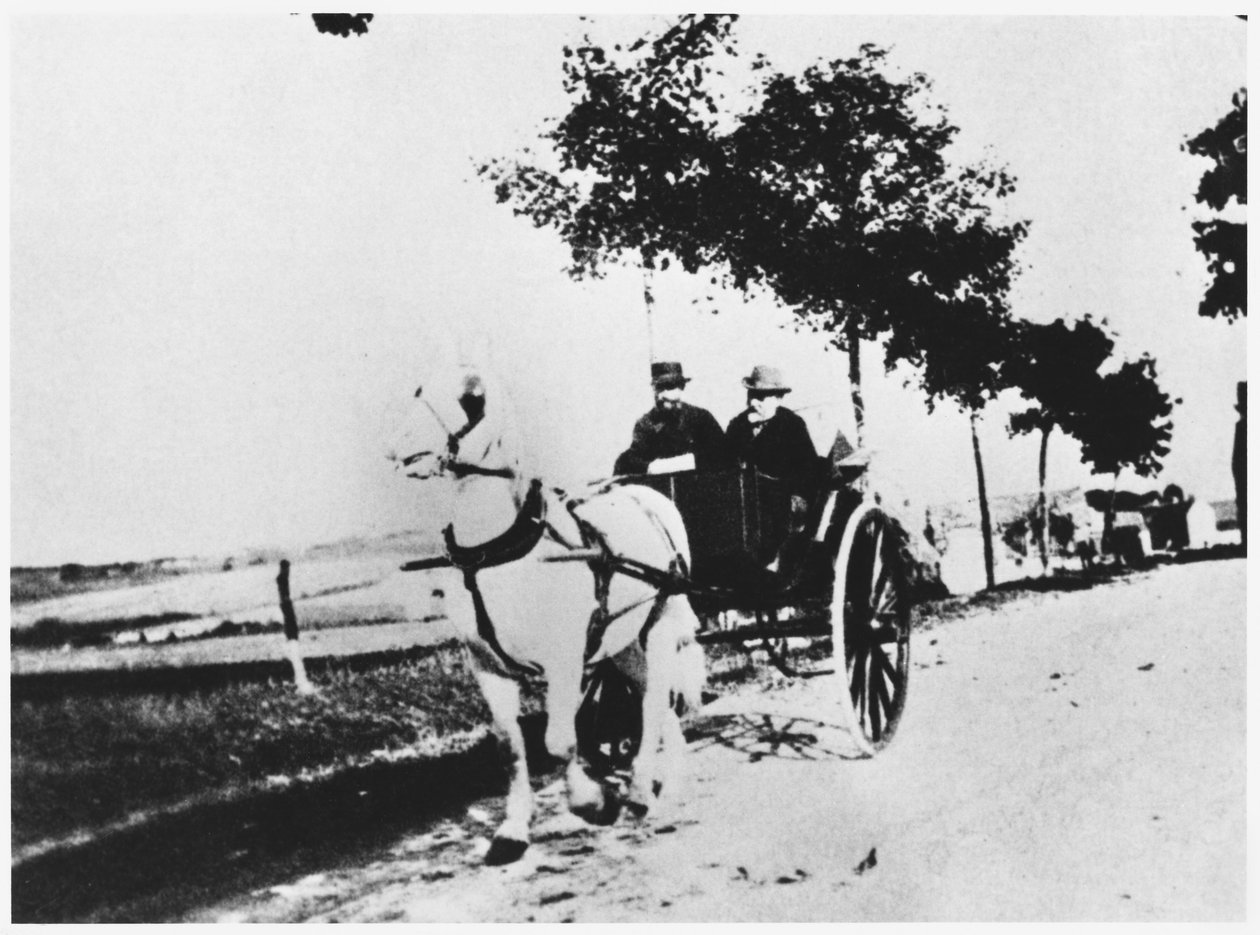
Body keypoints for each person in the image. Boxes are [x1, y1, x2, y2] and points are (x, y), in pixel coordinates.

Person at [613, 361, 731, 475]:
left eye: (669, 386)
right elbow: (629, 462)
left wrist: (687, 462)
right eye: (659, 388)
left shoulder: (701, 418)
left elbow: (723, 455)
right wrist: (652, 467)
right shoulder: (646, 424)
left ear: (681, 387)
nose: (662, 395)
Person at [724, 364, 820, 494]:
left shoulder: (792, 425)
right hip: (744, 500)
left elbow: (807, 471)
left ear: (778, 399)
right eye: (751, 395)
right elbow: (725, 467)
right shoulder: (737, 425)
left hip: (781, 500)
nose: (753, 402)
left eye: (760, 397)